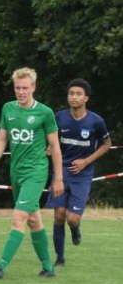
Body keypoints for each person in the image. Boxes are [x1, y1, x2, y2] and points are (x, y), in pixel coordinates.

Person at [0, 67, 64, 279]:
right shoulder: (8, 109)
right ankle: (48, 267)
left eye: (25, 88)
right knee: (34, 220)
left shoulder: (45, 113)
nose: (21, 92)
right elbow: (2, 139)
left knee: (18, 217)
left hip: (36, 173)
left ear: (34, 87)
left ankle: (0, 266)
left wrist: (58, 178)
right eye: (18, 88)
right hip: (16, 172)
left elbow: (55, 146)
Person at [45, 79, 111, 266]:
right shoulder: (59, 117)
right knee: (59, 215)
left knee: (72, 219)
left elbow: (107, 144)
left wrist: (86, 161)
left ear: (86, 98)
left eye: (78, 94)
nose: (73, 97)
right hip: (61, 170)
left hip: (82, 175)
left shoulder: (96, 121)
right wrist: (50, 148)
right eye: (71, 93)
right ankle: (59, 258)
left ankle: (75, 229)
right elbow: (53, 140)